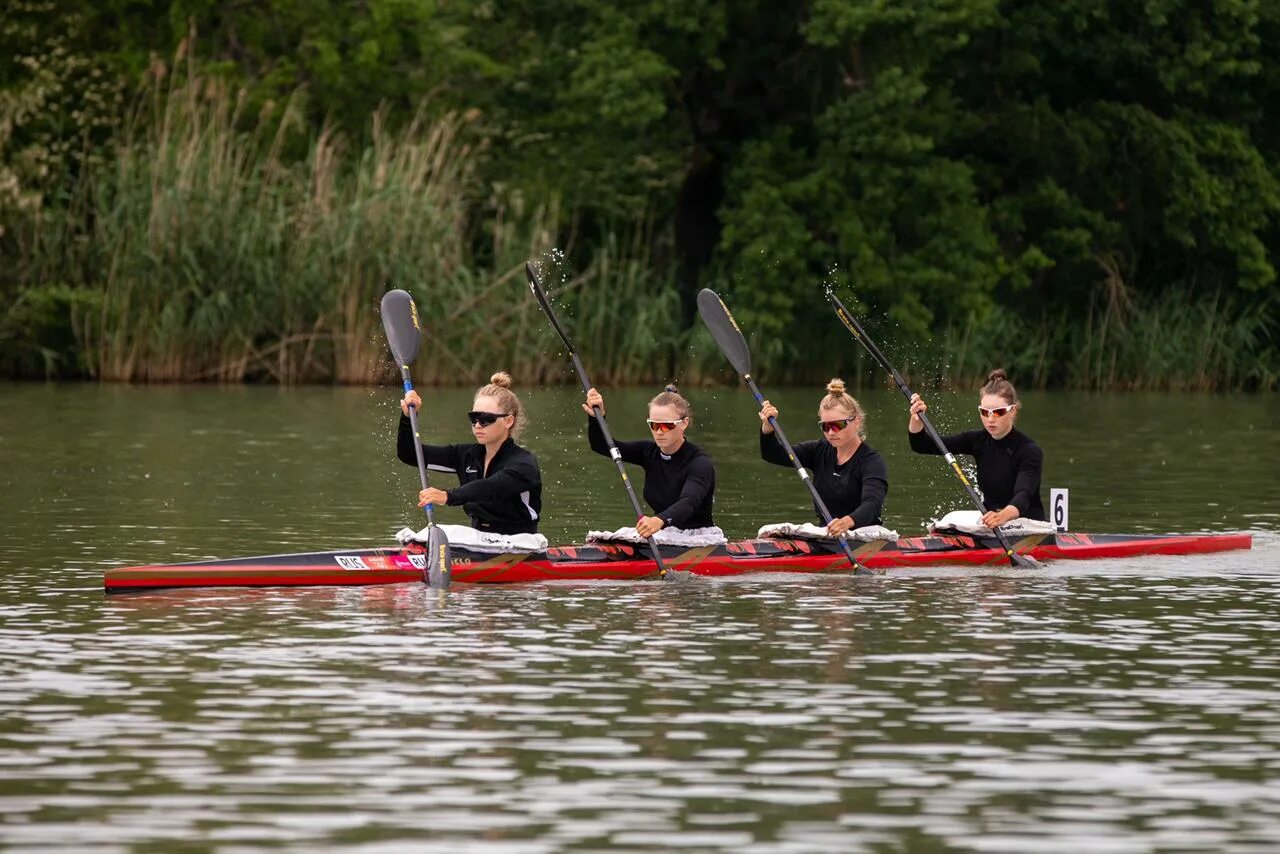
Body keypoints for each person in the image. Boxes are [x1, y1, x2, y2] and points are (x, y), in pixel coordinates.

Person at [397, 371, 542, 534]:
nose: (478, 425)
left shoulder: (524, 464)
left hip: (520, 542)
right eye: (474, 418)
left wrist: (448, 496)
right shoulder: (466, 455)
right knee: (426, 534)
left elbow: (491, 487)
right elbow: (410, 454)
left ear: (508, 421)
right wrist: (409, 418)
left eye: (486, 419)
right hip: (478, 538)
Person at [908, 368, 1045, 526]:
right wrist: (917, 419)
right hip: (990, 523)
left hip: (1028, 525)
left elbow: (1024, 494)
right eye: (985, 412)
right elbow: (922, 445)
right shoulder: (976, 440)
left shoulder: (1029, 450)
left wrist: (1004, 515)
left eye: (998, 412)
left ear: (1012, 411)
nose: (990, 419)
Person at [758, 378, 888, 535]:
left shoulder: (872, 462)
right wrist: (768, 427)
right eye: (825, 426)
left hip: (863, 535)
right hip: (826, 534)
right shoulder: (819, 450)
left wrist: (846, 522)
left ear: (856, 422)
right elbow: (773, 454)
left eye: (838, 425)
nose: (831, 432)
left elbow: (872, 505)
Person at [582, 384, 716, 537]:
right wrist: (596, 417)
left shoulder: (699, 463)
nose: (659, 432)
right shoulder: (648, 451)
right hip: (662, 533)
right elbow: (602, 446)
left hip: (697, 537)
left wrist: (660, 520)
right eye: (653, 425)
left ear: (684, 424)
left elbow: (689, 502)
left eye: (666, 426)